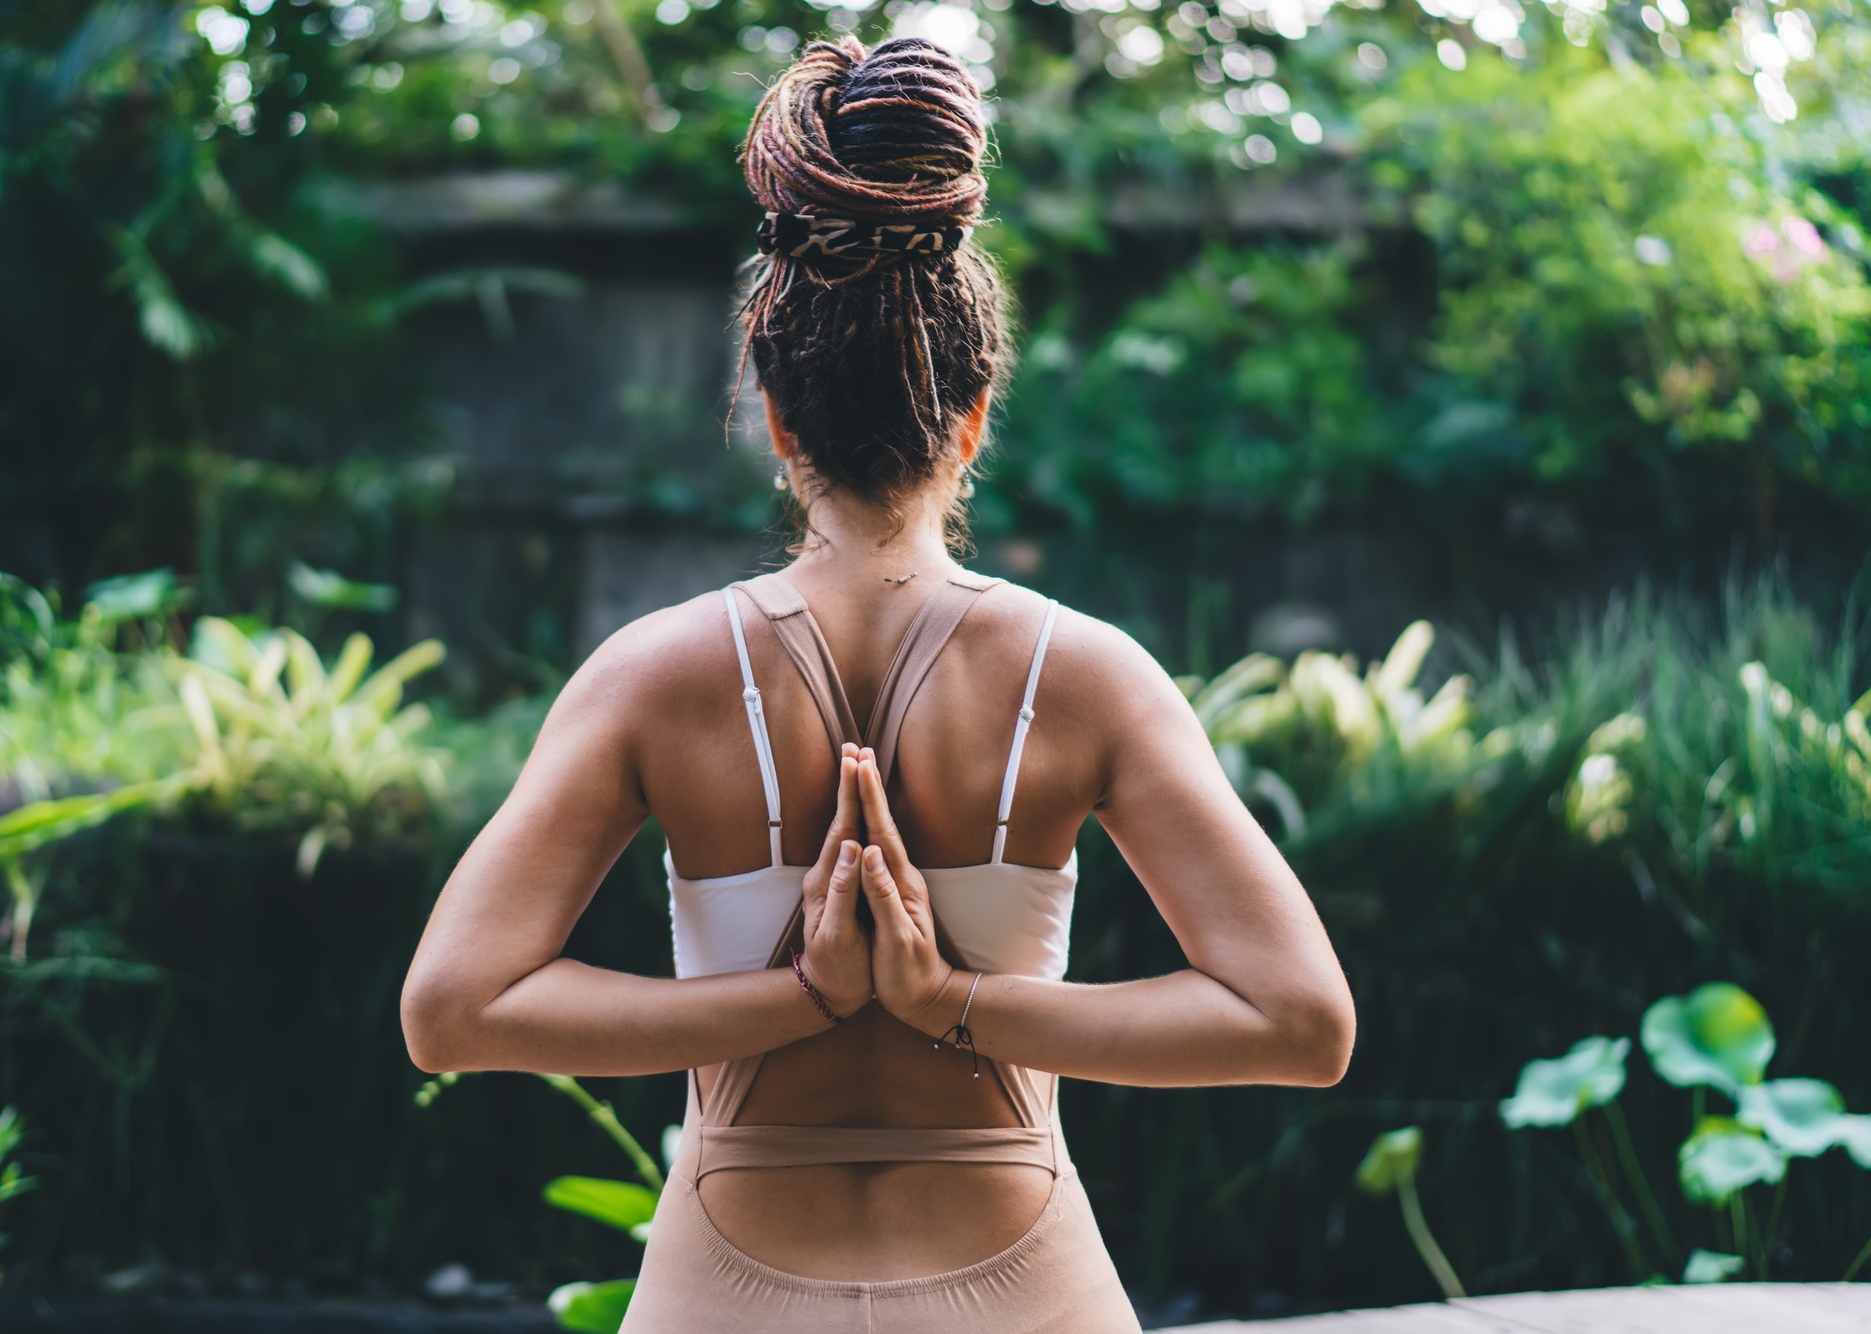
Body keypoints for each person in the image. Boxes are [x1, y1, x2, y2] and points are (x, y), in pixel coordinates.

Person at [400, 34, 1354, 1333]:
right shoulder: (1087, 677)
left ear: (776, 417)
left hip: (724, 1293)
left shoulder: (652, 677)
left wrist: (794, 1002)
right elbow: (1300, 1022)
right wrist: (952, 1002)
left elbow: (453, 1010)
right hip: (1025, 1292)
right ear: (975, 415)